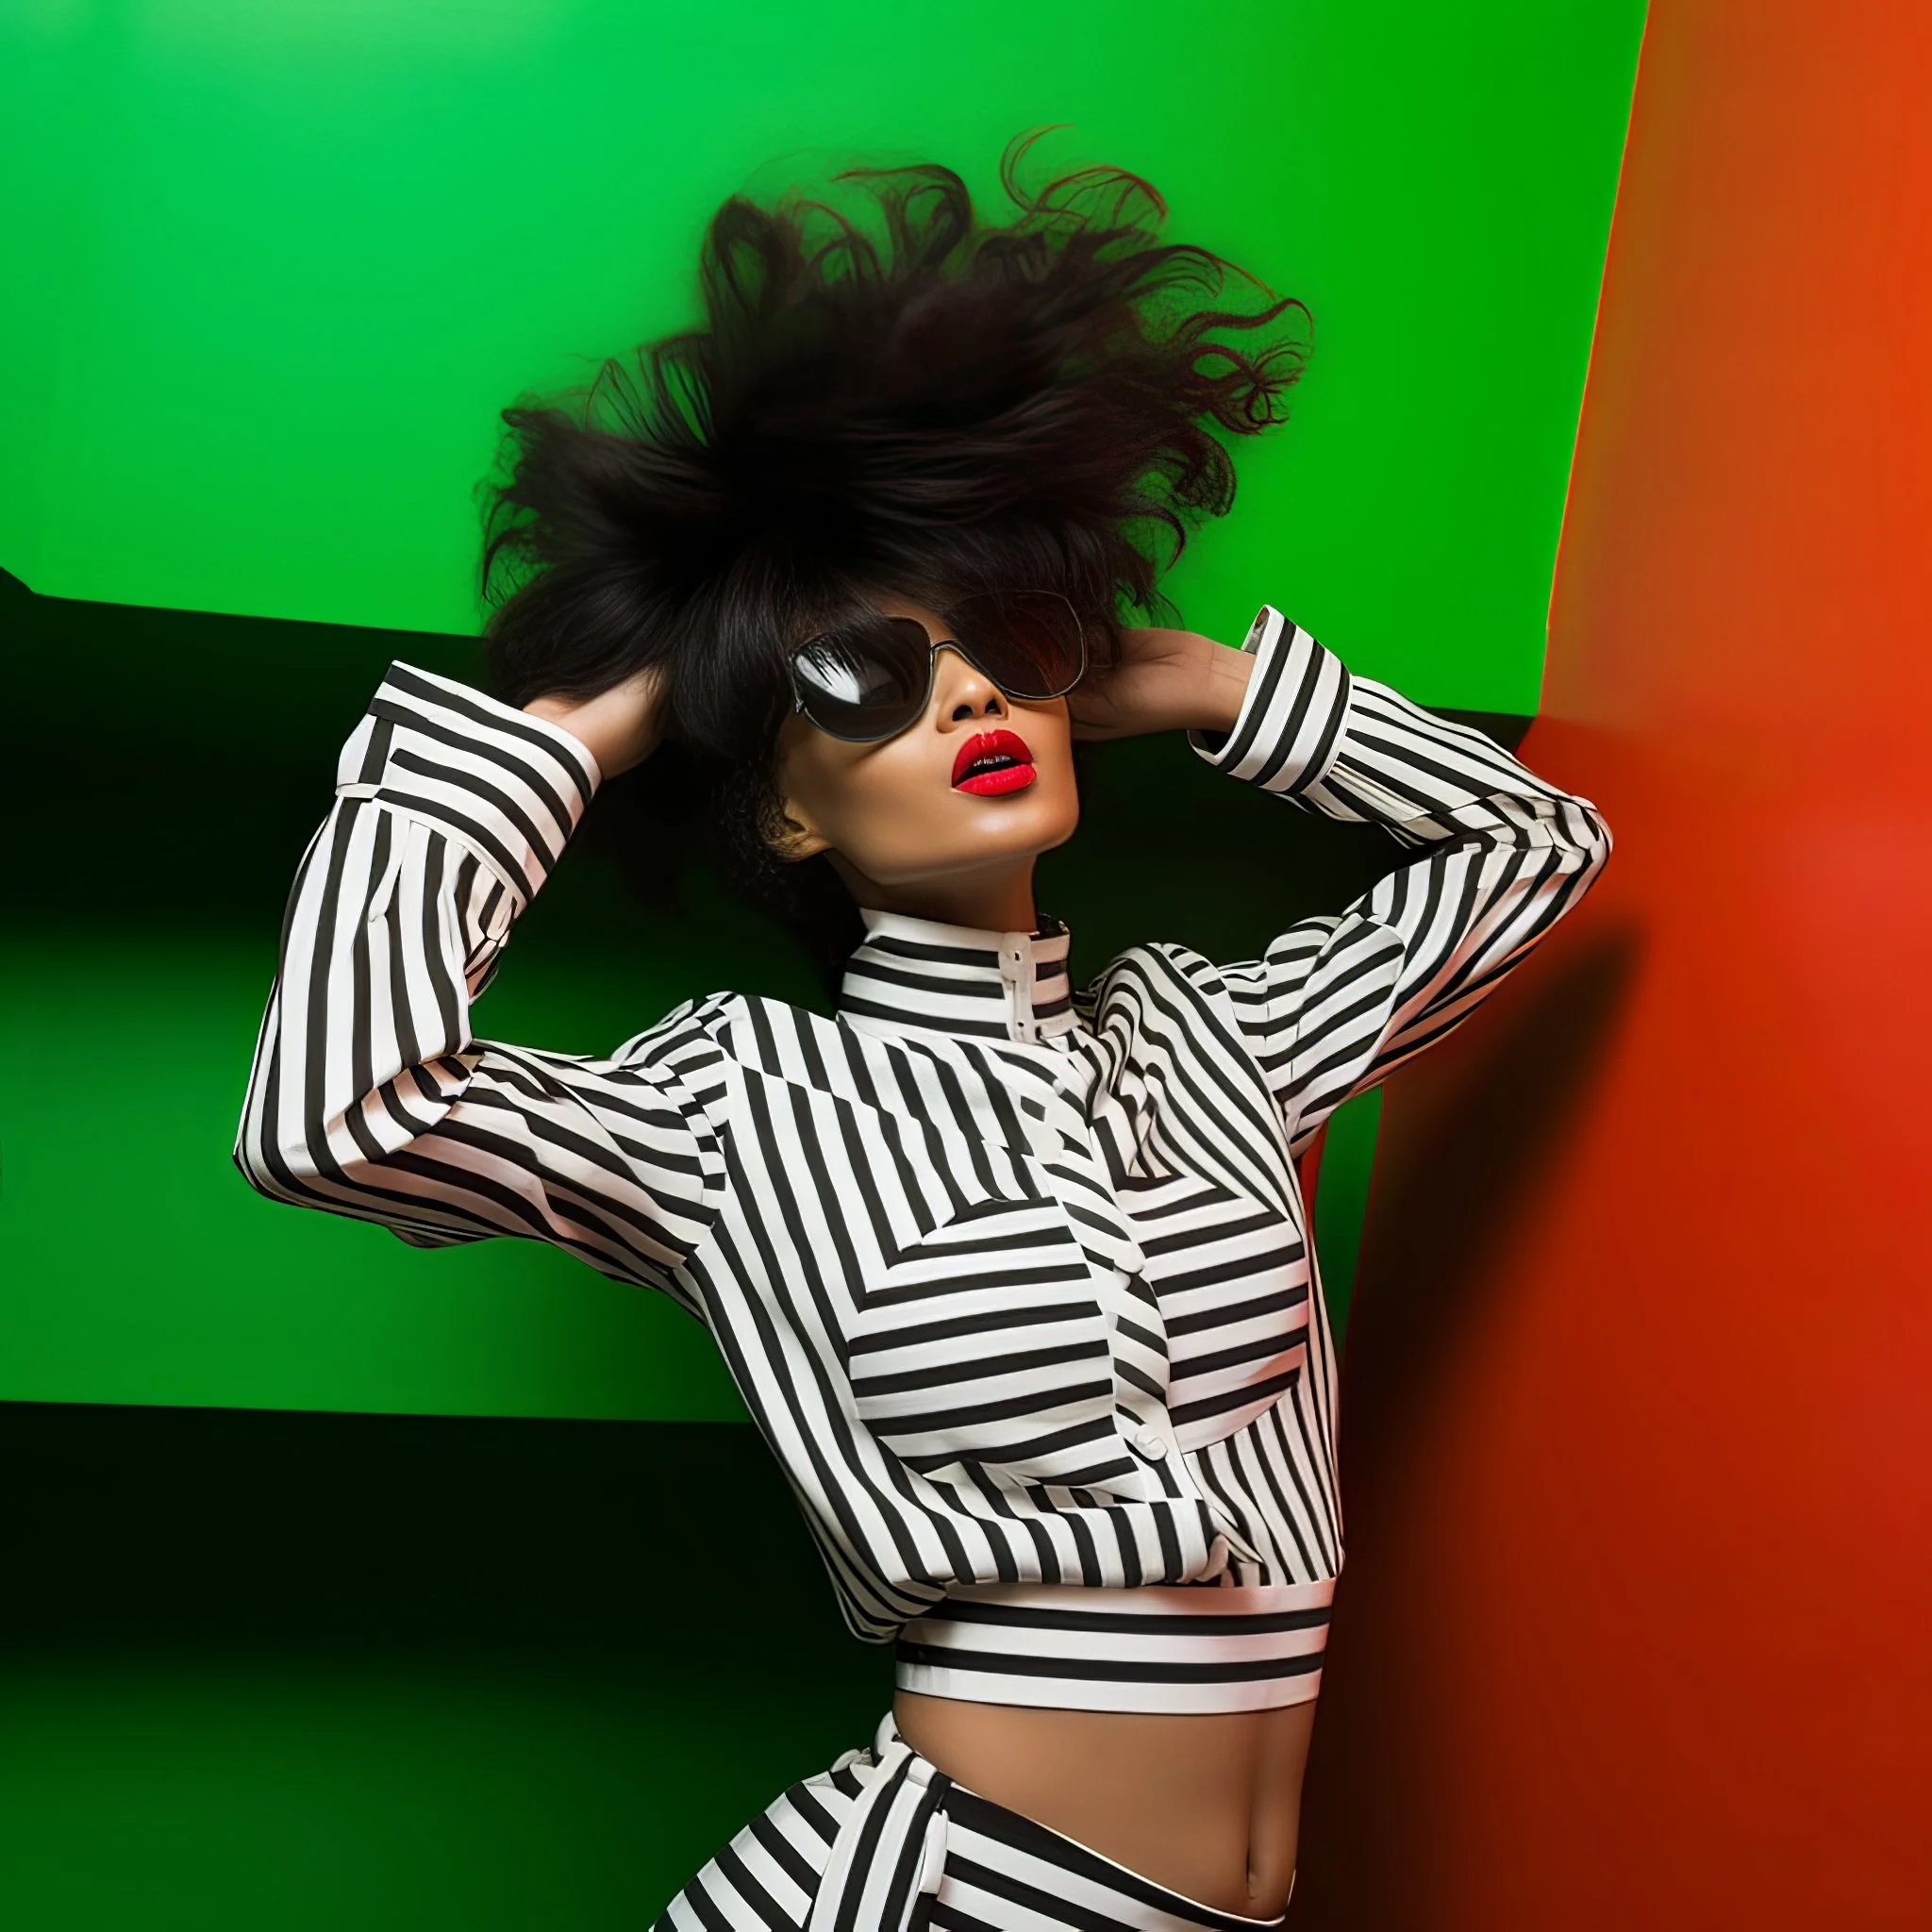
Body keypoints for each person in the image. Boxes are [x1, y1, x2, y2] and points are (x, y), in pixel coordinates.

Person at [236, 138, 1610, 1931]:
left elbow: (1537, 848)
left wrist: (1218, 683)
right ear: (785, 811)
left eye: (1009, 641)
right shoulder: (737, 1105)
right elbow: (337, 1120)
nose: (964, 689)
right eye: (859, 679)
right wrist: (557, 748)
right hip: (943, 1892)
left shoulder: (1217, 1043)